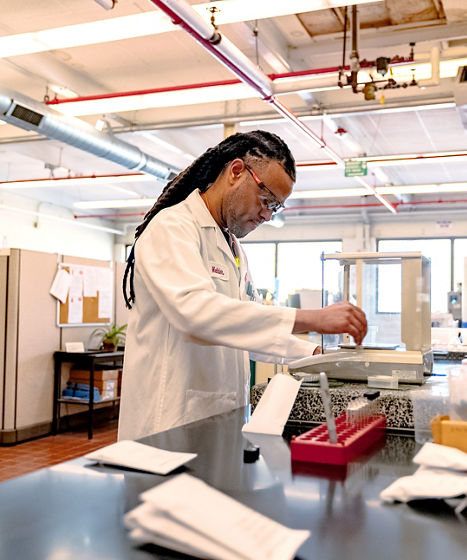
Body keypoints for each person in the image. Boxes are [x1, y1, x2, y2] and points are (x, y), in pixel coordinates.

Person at [118, 130, 367, 440]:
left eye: (275, 207)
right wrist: (312, 318)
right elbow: (195, 314)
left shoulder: (234, 249)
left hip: (216, 420)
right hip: (166, 423)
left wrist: (316, 353)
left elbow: (246, 325)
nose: (266, 214)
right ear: (236, 171)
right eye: (266, 199)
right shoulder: (172, 228)